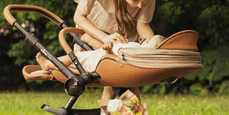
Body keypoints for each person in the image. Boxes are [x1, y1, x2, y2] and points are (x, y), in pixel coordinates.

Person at [73, 0, 158, 99]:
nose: (140, 6)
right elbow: (79, 17)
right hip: (96, 28)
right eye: (135, 0)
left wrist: (154, 48)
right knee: (113, 78)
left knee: (130, 80)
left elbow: (142, 24)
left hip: (125, 32)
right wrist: (104, 37)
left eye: (144, 1)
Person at [35, 35, 166, 75]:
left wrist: (109, 50)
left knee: (74, 57)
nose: (146, 39)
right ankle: (59, 68)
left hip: (103, 61)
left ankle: (48, 64)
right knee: (78, 65)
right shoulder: (136, 48)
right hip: (100, 58)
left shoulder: (137, 52)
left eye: (150, 41)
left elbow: (116, 62)